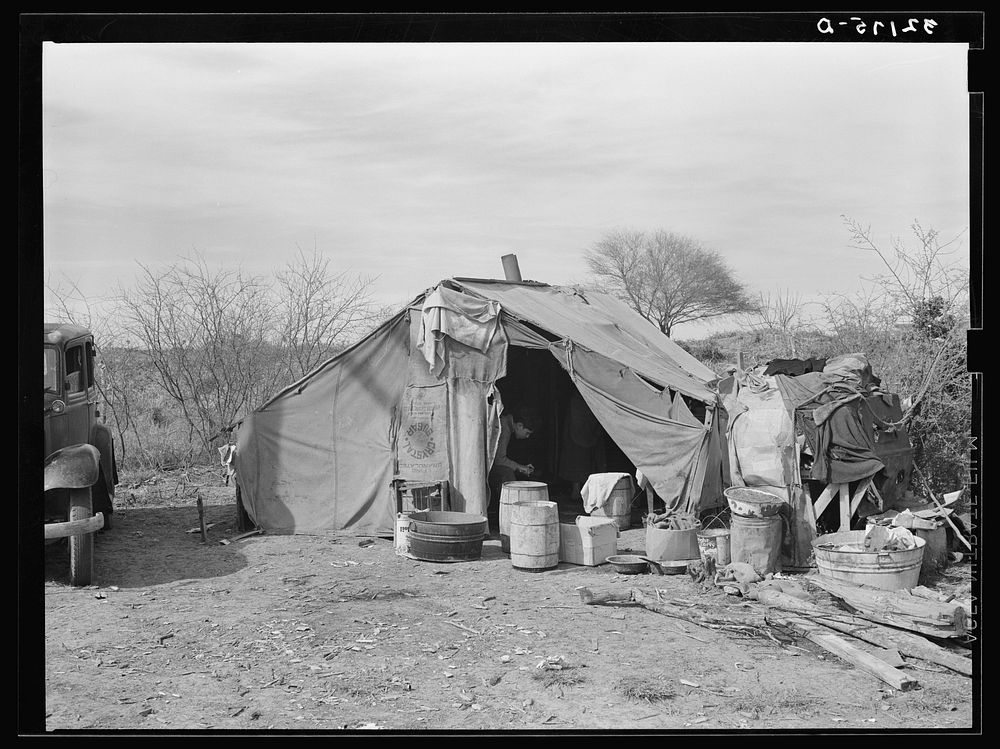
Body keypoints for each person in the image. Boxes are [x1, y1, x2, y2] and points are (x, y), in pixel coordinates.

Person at [488, 404, 542, 528]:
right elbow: (499, 460)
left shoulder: (507, 424)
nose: (527, 437)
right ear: (519, 425)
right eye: (527, 433)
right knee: (507, 474)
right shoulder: (504, 428)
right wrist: (520, 467)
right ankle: (510, 517)